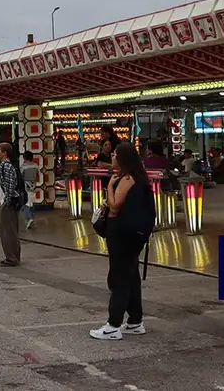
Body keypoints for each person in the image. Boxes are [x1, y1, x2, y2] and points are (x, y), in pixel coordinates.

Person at [90, 142, 155, 341]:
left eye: (115, 154)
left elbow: (115, 206)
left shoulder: (126, 178)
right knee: (131, 275)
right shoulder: (139, 177)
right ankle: (135, 321)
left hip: (122, 235)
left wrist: (109, 186)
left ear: (123, 157)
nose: (112, 157)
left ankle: (113, 325)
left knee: (119, 278)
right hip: (134, 234)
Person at [0, 142, 24, 267]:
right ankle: (14, 255)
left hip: (9, 202)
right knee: (12, 229)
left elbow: (10, 185)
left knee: (7, 231)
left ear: (4, 152)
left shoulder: (5, 166)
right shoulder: (8, 165)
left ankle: (11, 257)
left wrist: (7, 200)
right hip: (11, 201)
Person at [20, 150, 40, 230]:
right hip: (33, 186)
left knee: (26, 203)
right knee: (31, 202)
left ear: (24, 158)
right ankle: (31, 217)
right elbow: (37, 175)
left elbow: (21, 176)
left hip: (26, 187)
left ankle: (29, 218)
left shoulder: (23, 166)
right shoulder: (36, 166)